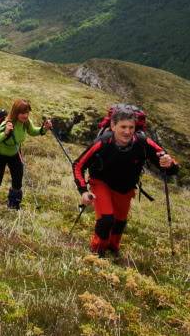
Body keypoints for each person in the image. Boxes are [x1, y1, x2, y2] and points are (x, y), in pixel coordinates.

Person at [72, 105, 177, 256]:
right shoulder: (102, 143)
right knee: (106, 219)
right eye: (123, 127)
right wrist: (83, 191)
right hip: (101, 182)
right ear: (113, 126)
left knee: (119, 221)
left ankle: (113, 248)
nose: (127, 132)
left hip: (125, 187)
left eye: (131, 127)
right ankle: (97, 251)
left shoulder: (143, 142)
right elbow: (78, 165)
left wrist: (169, 163)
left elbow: (172, 169)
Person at [0, 98, 53, 209]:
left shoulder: (26, 122)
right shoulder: (6, 124)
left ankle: (13, 206)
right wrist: (5, 134)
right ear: (15, 112)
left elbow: (33, 131)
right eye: (22, 113)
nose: (25, 115)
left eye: (27, 112)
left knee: (17, 182)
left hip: (14, 154)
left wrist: (44, 129)